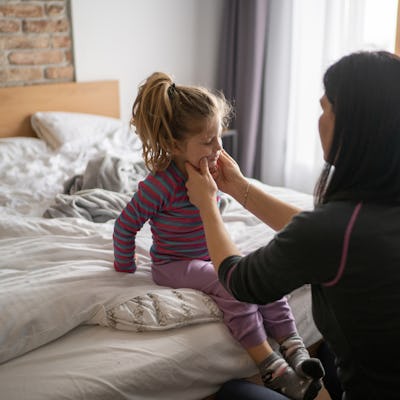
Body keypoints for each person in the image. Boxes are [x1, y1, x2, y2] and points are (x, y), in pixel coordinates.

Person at [185, 50, 400, 400]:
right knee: (328, 352)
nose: (319, 119)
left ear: (353, 124)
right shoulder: (370, 208)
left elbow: (241, 281)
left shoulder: (334, 229)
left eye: (324, 108)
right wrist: (240, 188)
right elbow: (320, 232)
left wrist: (207, 205)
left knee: (234, 394)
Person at [113, 72, 324, 400]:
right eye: (208, 141)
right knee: (233, 286)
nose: (218, 148)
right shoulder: (158, 186)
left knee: (262, 276)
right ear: (173, 145)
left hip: (209, 252)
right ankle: (269, 363)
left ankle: (295, 347)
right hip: (174, 263)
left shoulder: (212, 172)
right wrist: (124, 264)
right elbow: (125, 225)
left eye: (219, 137)